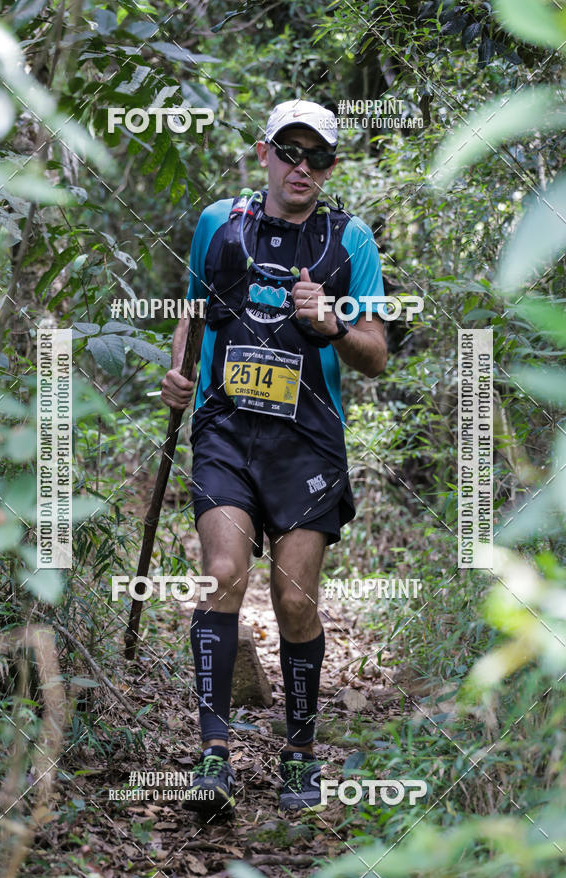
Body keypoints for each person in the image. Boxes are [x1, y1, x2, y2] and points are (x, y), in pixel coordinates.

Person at [160, 99, 387, 815]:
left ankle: (300, 754)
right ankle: (212, 757)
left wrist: (331, 327)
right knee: (224, 574)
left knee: (293, 600)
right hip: (224, 428)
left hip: (307, 443)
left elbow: (377, 353)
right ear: (263, 152)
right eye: (290, 151)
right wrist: (178, 373)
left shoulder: (348, 241)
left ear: (332, 167)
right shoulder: (218, 225)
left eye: (317, 157)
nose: (302, 167)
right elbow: (195, 308)